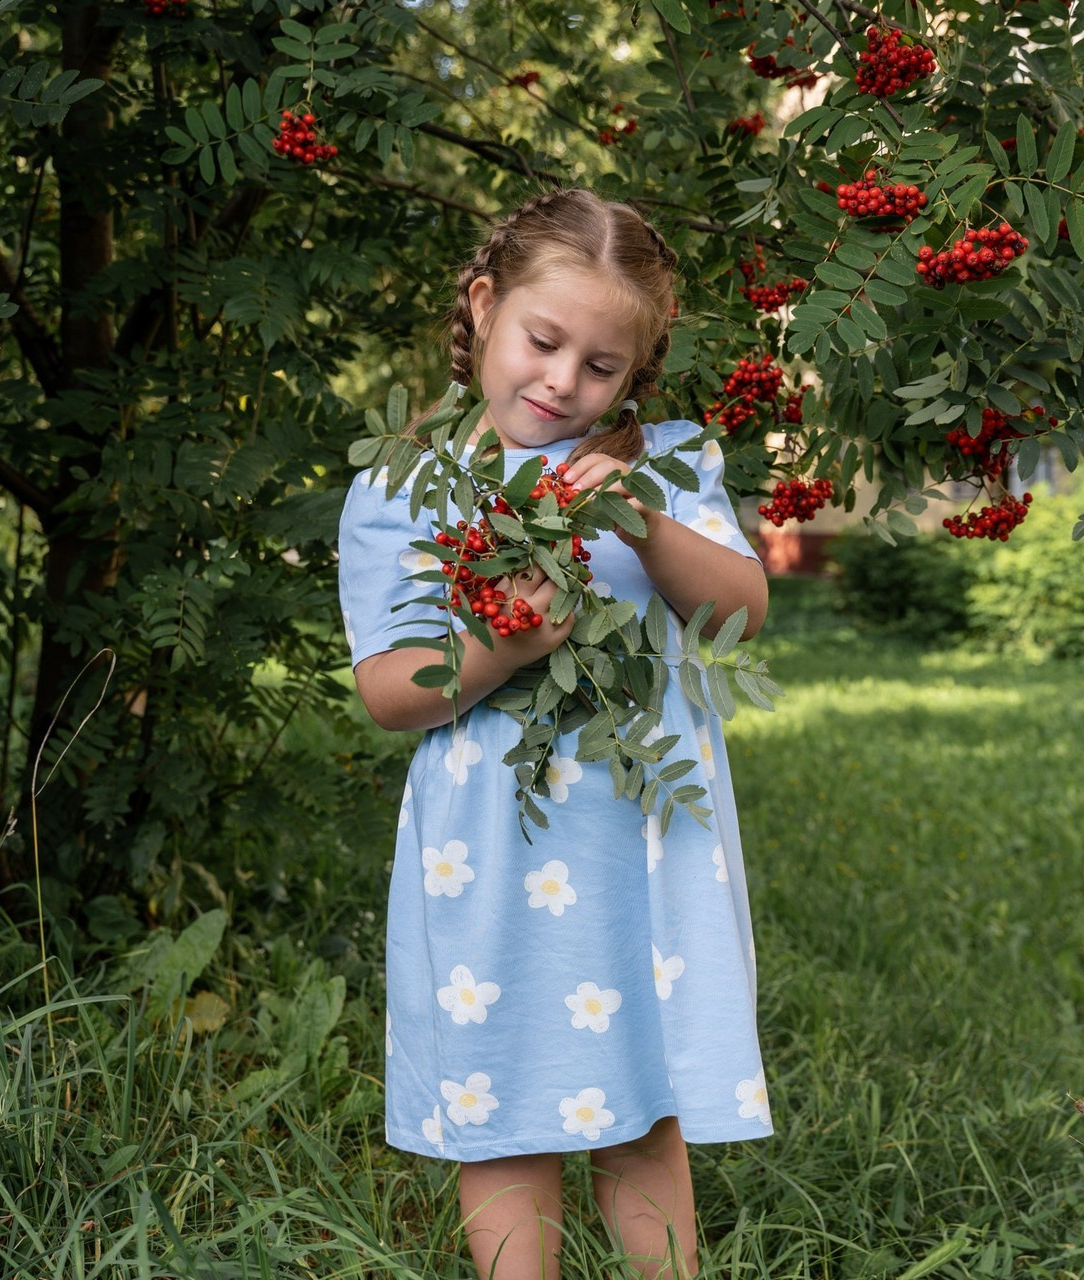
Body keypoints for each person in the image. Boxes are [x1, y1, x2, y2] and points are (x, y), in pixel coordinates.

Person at [338, 187, 772, 1280]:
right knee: (503, 1092)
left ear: (636, 370)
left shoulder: (668, 462)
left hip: (642, 842)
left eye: (599, 366)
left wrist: (642, 518)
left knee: (643, 1093)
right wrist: (505, 645)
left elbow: (739, 611)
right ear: (483, 306)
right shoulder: (410, 485)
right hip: (489, 849)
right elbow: (391, 689)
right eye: (542, 341)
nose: (561, 383)